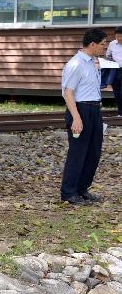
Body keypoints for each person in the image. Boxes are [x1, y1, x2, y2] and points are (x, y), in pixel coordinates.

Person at [60, 28, 108, 206]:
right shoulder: (76, 64)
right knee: (78, 153)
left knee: (93, 152)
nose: (105, 48)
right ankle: (68, 192)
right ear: (93, 44)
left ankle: (82, 188)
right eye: (103, 45)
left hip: (94, 109)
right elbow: (68, 92)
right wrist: (76, 118)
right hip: (80, 110)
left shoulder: (93, 62)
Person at [104, 26, 122, 117]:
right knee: (117, 92)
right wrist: (112, 61)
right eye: (117, 36)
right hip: (115, 71)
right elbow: (108, 55)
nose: (119, 38)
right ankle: (120, 112)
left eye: (121, 36)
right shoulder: (112, 44)